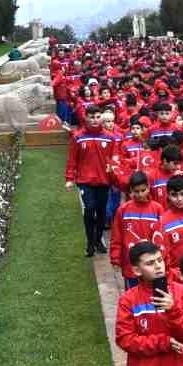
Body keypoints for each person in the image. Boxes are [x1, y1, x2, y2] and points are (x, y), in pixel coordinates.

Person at [66, 106, 118, 257]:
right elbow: (72, 160)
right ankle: (90, 242)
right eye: (91, 117)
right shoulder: (78, 137)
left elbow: (114, 162)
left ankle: (98, 240)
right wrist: (69, 178)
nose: (94, 120)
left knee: (101, 212)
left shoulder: (110, 138)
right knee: (89, 209)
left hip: (104, 181)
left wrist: (115, 180)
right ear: (85, 118)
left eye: (97, 117)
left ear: (101, 118)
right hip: (85, 181)